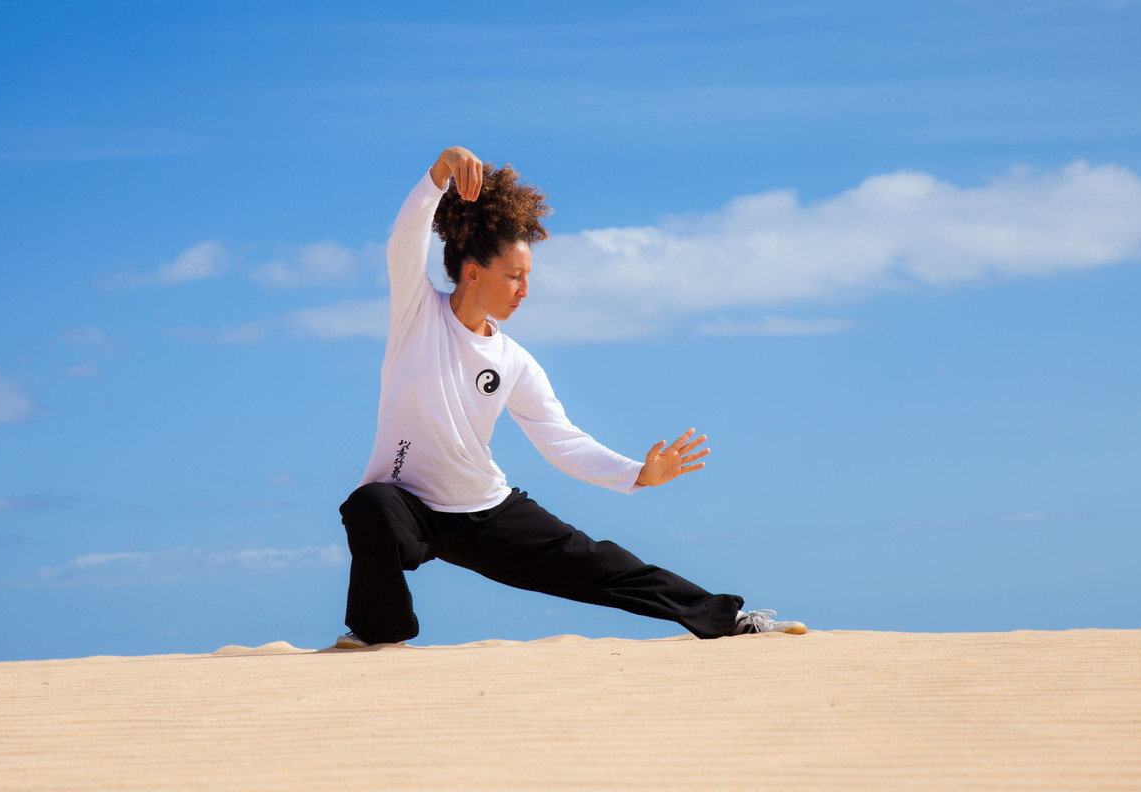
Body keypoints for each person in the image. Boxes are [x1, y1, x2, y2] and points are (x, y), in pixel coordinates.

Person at [335, 146, 805, 648]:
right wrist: (440, 171)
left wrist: (636, 474)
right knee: (369, 505)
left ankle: (729, 619)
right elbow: (404, 241)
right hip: (409, 506)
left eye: (528, 277)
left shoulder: (514, 361)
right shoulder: (417, 316)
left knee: (602, 566)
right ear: (472, 272)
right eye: (514, 276)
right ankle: (377, 635)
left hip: (485, 512)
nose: (525, 290)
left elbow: (561, 439)